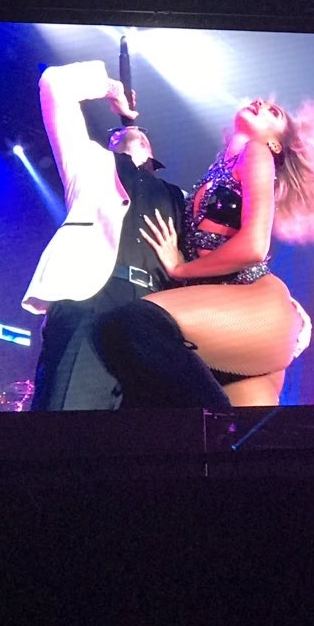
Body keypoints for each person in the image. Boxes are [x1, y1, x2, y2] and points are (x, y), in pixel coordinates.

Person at [95, 97, 314, 407]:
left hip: (254, 306)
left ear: (276, 145)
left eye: (274, 112)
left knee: (135, 323)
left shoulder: (257, 151)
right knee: (230, 434)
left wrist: (180, 268)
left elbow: (254, 247)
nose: (261, 103)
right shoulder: (220, 165)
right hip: (226, 320)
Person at [21, 60, 231, 411]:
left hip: (155, 313)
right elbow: (55, 83)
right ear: (110, 142)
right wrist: (111, 89)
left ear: (153, 151)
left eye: (142, 133)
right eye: (118, 134)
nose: (133, 131)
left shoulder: (181, 197)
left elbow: (220, 255)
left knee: (173, 422)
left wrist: (182, 264)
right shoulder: (89, 166)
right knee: (68, 414)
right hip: (91, 300)